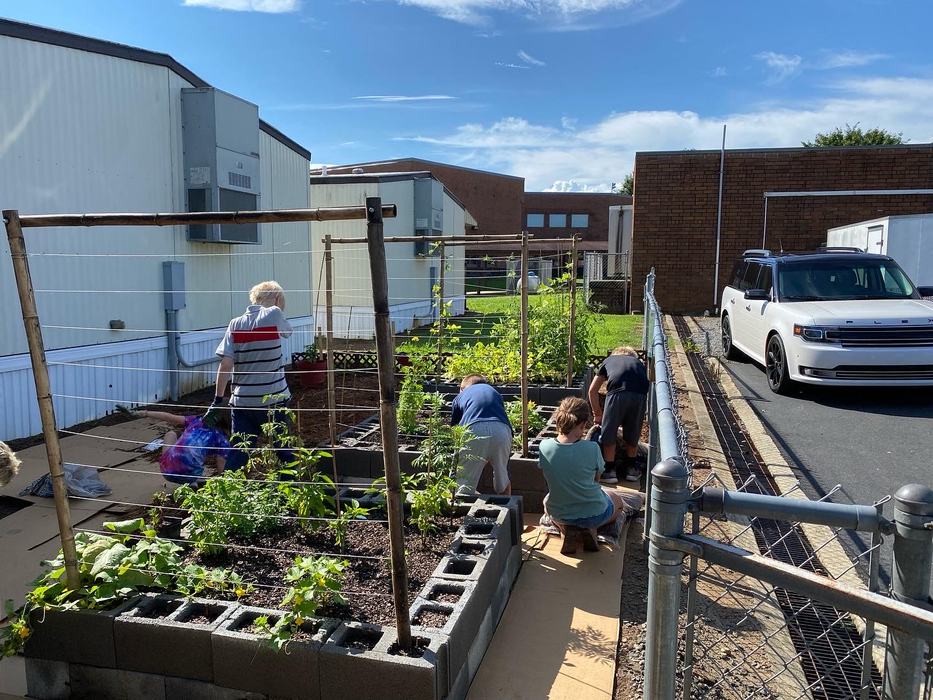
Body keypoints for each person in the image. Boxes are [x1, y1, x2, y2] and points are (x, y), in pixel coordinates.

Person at [205, 281, 294, 471]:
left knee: (239, 451)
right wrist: (278, 309)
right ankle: (289, 493)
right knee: (284, 450)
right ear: (277, 299)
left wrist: (217, 399)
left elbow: (226, 364)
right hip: (273, 400)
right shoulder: (275, 313)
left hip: (242, 402)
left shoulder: (235, 324)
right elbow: (288, 332)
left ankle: (230, 492)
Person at [538, 397, 640, 553]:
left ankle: (566, 531)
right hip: (593, 514)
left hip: (560, 513)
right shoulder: (592, 448)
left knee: (547, 501)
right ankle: (591, 529)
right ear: (583, 424)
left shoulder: (544, 446)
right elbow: (596, 481)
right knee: (617, 501)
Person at [117, 406, 229, 485]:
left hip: (167, 470)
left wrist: (144, 413)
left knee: (170, 434)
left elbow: (168, 417)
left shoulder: (196, 420)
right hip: (191, 473)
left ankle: (192, 480)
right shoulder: (222, 440)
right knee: (196, 456)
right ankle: (192, 480)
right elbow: (221, 466)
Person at [588, 346, 649, 484]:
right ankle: (631, 469)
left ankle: (609, 470)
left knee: (609, 431)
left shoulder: (609, 360)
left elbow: (592, 390)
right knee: (632, 432)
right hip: (639, 395)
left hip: (617, 393)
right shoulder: (638, 363)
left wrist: (597, 414)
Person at [450, 375, 513, 496]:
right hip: (502, 430)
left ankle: (463, 504)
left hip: (473, 429)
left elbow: (456, 431)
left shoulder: (461, 396)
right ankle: (508, 507)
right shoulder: (494, 392)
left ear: (462, 388)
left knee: (463, 485)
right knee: (503, 477)